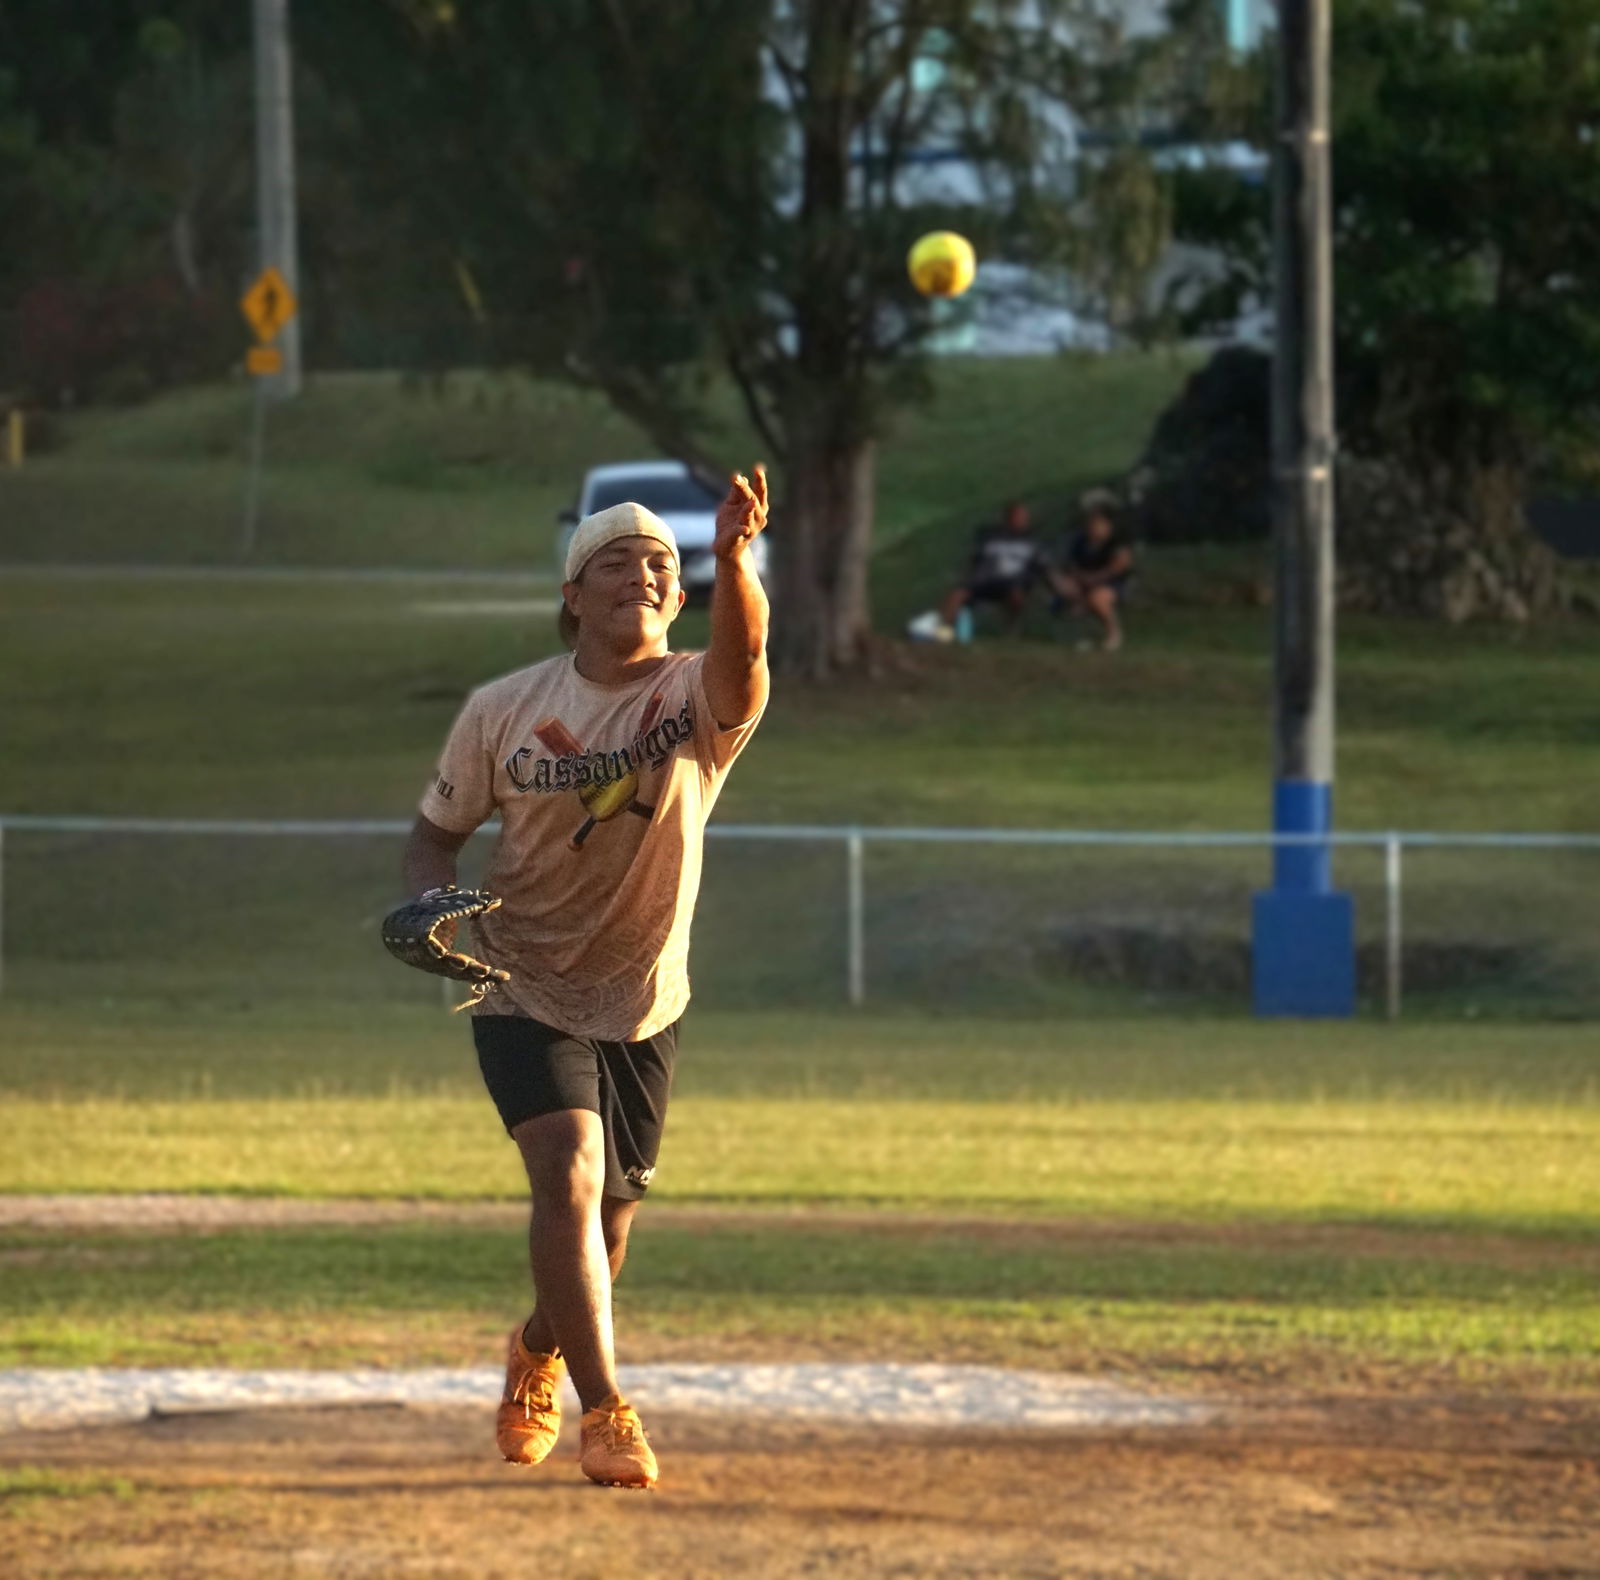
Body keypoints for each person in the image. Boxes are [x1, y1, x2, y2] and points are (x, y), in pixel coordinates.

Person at [400, 466, 771, 1490]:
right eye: (615, 561)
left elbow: (748, 656)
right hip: (520, 972)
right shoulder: (505, 708)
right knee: (564, 1165)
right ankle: (606, 1412)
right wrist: (431, 904)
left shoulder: (696, 695)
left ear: (679, 594)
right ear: (572, 591)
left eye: (660, 562)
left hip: (647, 990)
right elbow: (432, 838)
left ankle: (538, 1345)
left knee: (605, 1231)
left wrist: (736, 560)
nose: (641, 573)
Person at [937, 500, 1051, 638]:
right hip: (983, 579)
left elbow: (1043, 566)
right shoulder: (990, 537)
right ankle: (943, 632)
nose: (1021, 521)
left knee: (1016, 596)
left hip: (1011, 582)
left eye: (1023, 518)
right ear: (1007, 519)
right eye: (1017, 517)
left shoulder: (1032, 543)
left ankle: (1011, 633)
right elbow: (975, 559)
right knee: (957, 594)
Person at [1053, 490, 1134, 652]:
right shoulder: (1080, 541)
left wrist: (1092, 578)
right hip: (1085, 581)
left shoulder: (1116, 541)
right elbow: (1071, 565)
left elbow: (1118, 567)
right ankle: (1083, 635)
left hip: (1113, 584)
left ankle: (1113, 633)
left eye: (1097, 522)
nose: (1092, 526)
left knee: (1097, 598)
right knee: (1067, 591)